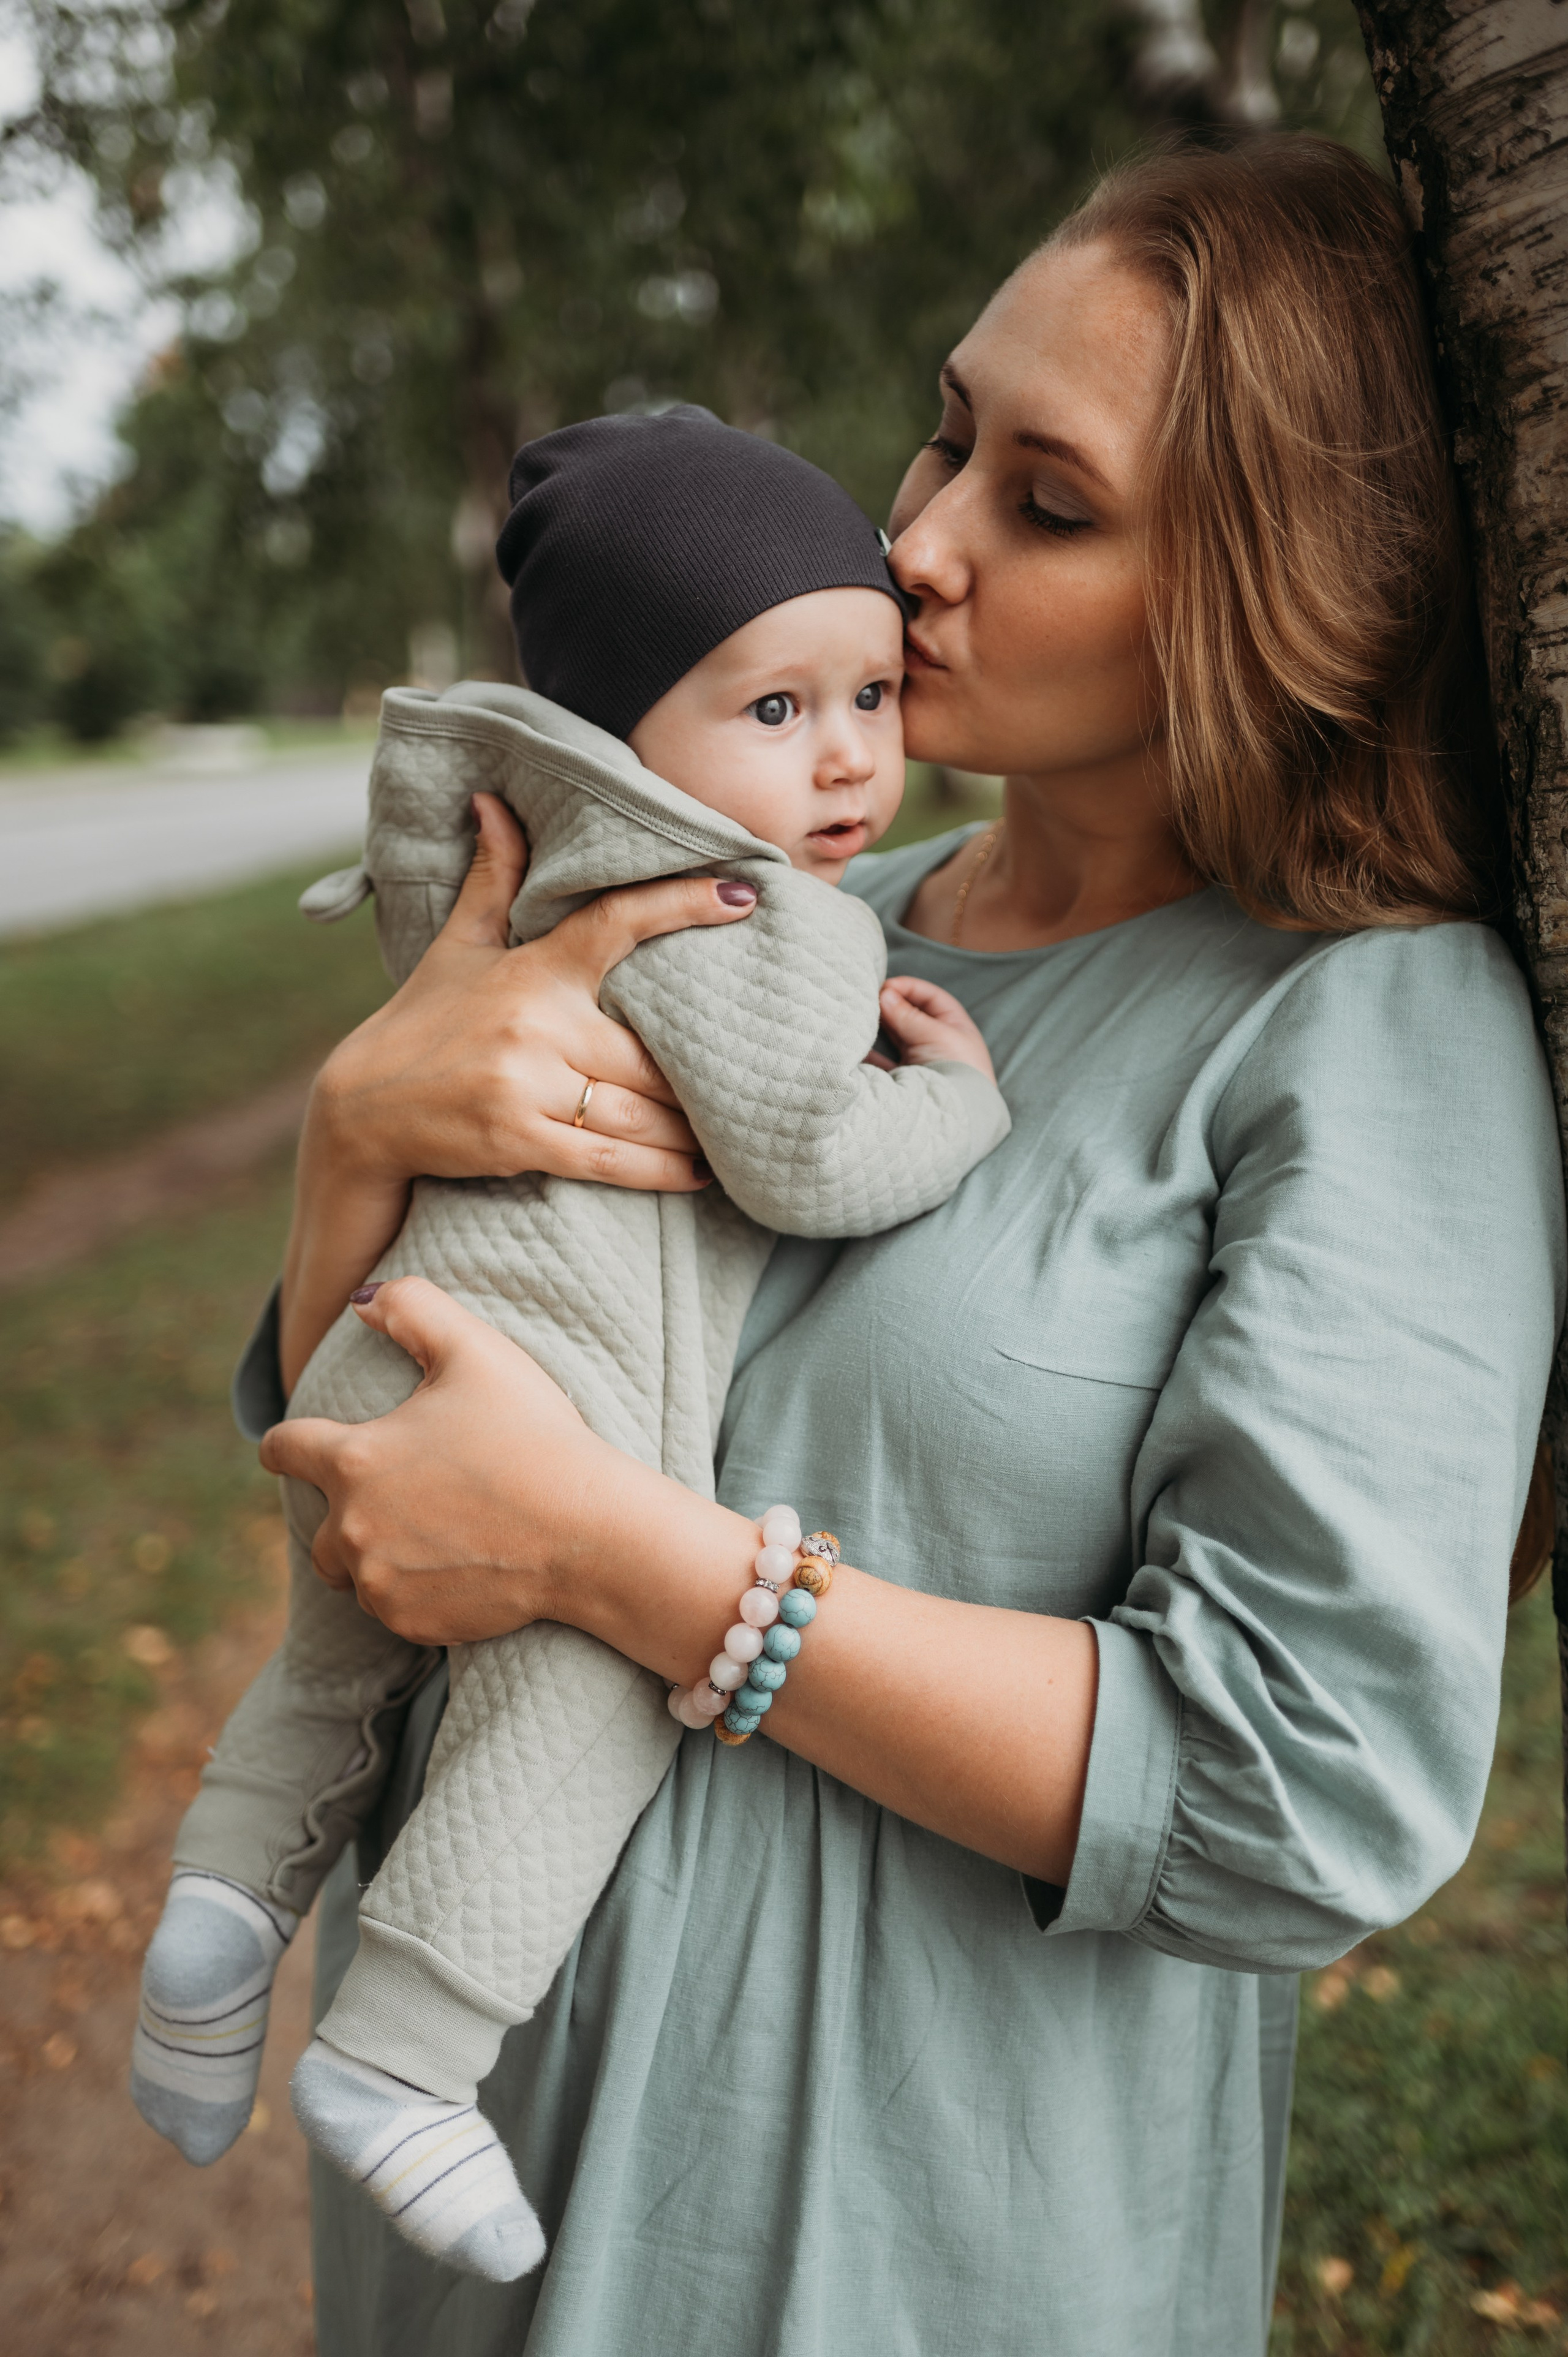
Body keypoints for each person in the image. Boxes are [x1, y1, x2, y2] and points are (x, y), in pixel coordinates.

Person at [247, 137, 1564, 2356]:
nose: (918, 542)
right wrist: (347, 1156)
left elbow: (1298, 1790)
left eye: (1048, 506)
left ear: (1277, 588)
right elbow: (374, 1454)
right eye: (948, 430)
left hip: (896, 2256)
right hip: (453, 2231)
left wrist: (626, 1565)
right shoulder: (775, 917)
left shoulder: (1355, 1028)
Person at [130, 410, 1008, 2282]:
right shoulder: (741, 912)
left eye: (867, 691)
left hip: (394, 1347)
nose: (848, 752)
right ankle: (406, 2053)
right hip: (550, 1408)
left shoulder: (544, 876)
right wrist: (958, 1107)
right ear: (633, 739)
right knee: (596, 1684)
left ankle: (212, 1937)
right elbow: (808, 1151)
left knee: (331, 1667)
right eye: (773, 708)